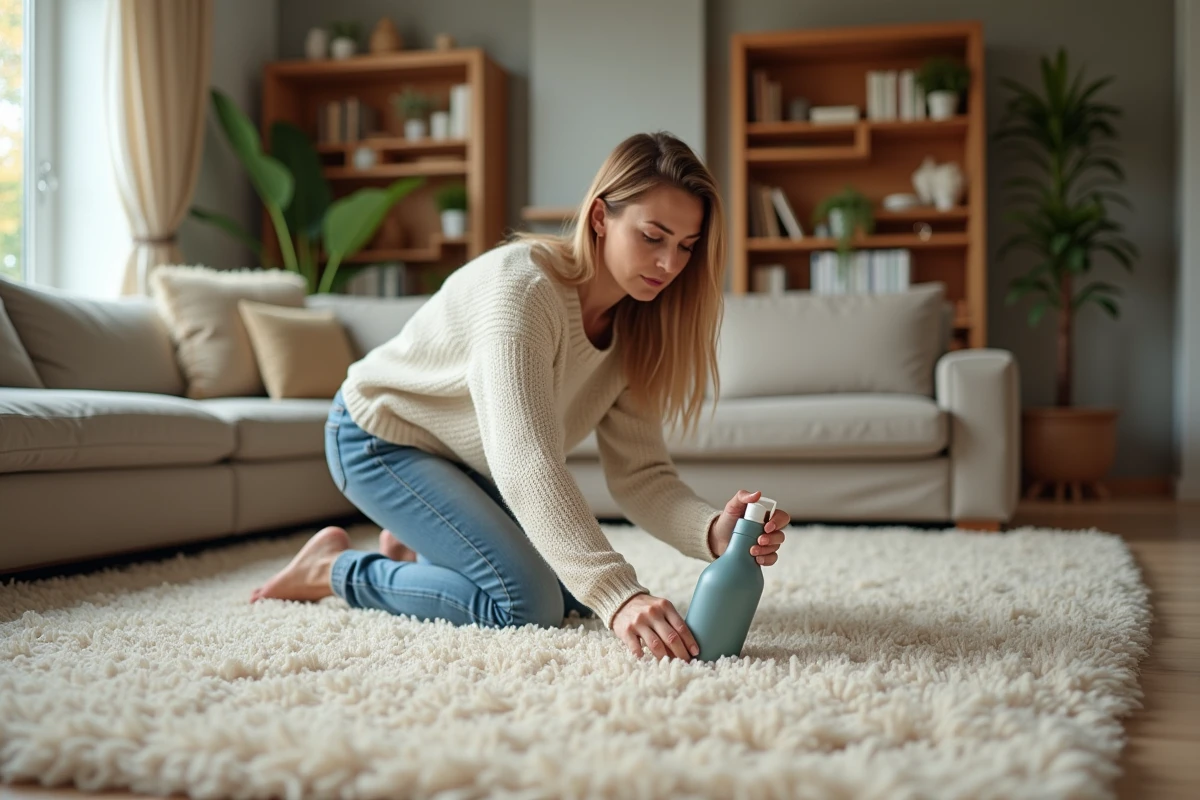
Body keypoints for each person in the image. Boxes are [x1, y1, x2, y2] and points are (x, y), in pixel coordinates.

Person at [250, 131, 791, 662]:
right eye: (653, 237)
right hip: (378, 438)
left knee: (571, 594)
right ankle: (333, 570)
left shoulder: (637, 326)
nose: (670, 265)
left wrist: (714, 532)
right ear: (601, 219)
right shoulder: (523, 290)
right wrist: (620, 595)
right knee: (528, 602)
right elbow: (525, 462)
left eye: (686, 247)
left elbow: (641, 475)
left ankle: (416, 548)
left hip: (467, 460)